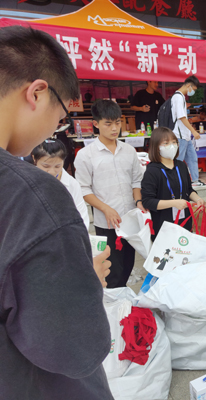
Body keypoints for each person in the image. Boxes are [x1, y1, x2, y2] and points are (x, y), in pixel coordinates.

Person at [0, 25, 113, 399]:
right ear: (36, 93)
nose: (57, 127)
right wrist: (85, 282)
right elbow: (76, 347)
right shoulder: (32, 196)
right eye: (62, 116)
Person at [75, 99, 145, 288]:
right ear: (96, 124)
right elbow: (83, 189)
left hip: (129, 219)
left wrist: (138, 202)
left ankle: (122, 300)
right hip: (106, 223)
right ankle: (113, 302)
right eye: (108, 123)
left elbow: (136, 180)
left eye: (117, 122)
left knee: (128, 264)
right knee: (111, 271)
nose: (114, 128)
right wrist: (106, 209)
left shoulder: (129, 151)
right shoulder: (86, 155)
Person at [141, 127, 205, 241]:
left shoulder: (181, 165)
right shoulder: (152, 171)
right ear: (156, 147)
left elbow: (188, 190)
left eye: (174, 142)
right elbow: (148, 201)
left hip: (185, 223)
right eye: (166, 143)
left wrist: (198, 199)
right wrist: (174, 203)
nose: (172, 146)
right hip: (163, 226)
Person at [32, 139, 90, 230]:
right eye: (46, 166)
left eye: (57, 166)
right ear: (34, 159)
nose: (51, 172)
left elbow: (81, 215)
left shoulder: (72, 184)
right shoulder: (26, 181)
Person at [171, 75, 205, 187]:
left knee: (192, 158)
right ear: (189, 85)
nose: (193, 92)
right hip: (180, 135)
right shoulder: (178, 97)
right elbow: (181, 117)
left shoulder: (180, 97)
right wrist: (193, 131)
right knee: (179, 161)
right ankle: (176, 182)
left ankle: (195, 180)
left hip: (185, 135)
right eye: (193, 89)